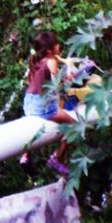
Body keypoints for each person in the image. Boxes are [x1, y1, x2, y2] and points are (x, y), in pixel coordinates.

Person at [20, 31, 76, 176]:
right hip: (41, 106)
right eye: (57, 43)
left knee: (33, 128)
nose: (59, 45)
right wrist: (69, 74)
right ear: (50, 50)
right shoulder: (51, 61)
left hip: (29, 102)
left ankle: (25, 156)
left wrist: (64, 62)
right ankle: (57, 158)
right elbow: (58, 86)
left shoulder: (36, 58)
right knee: (74, 125)